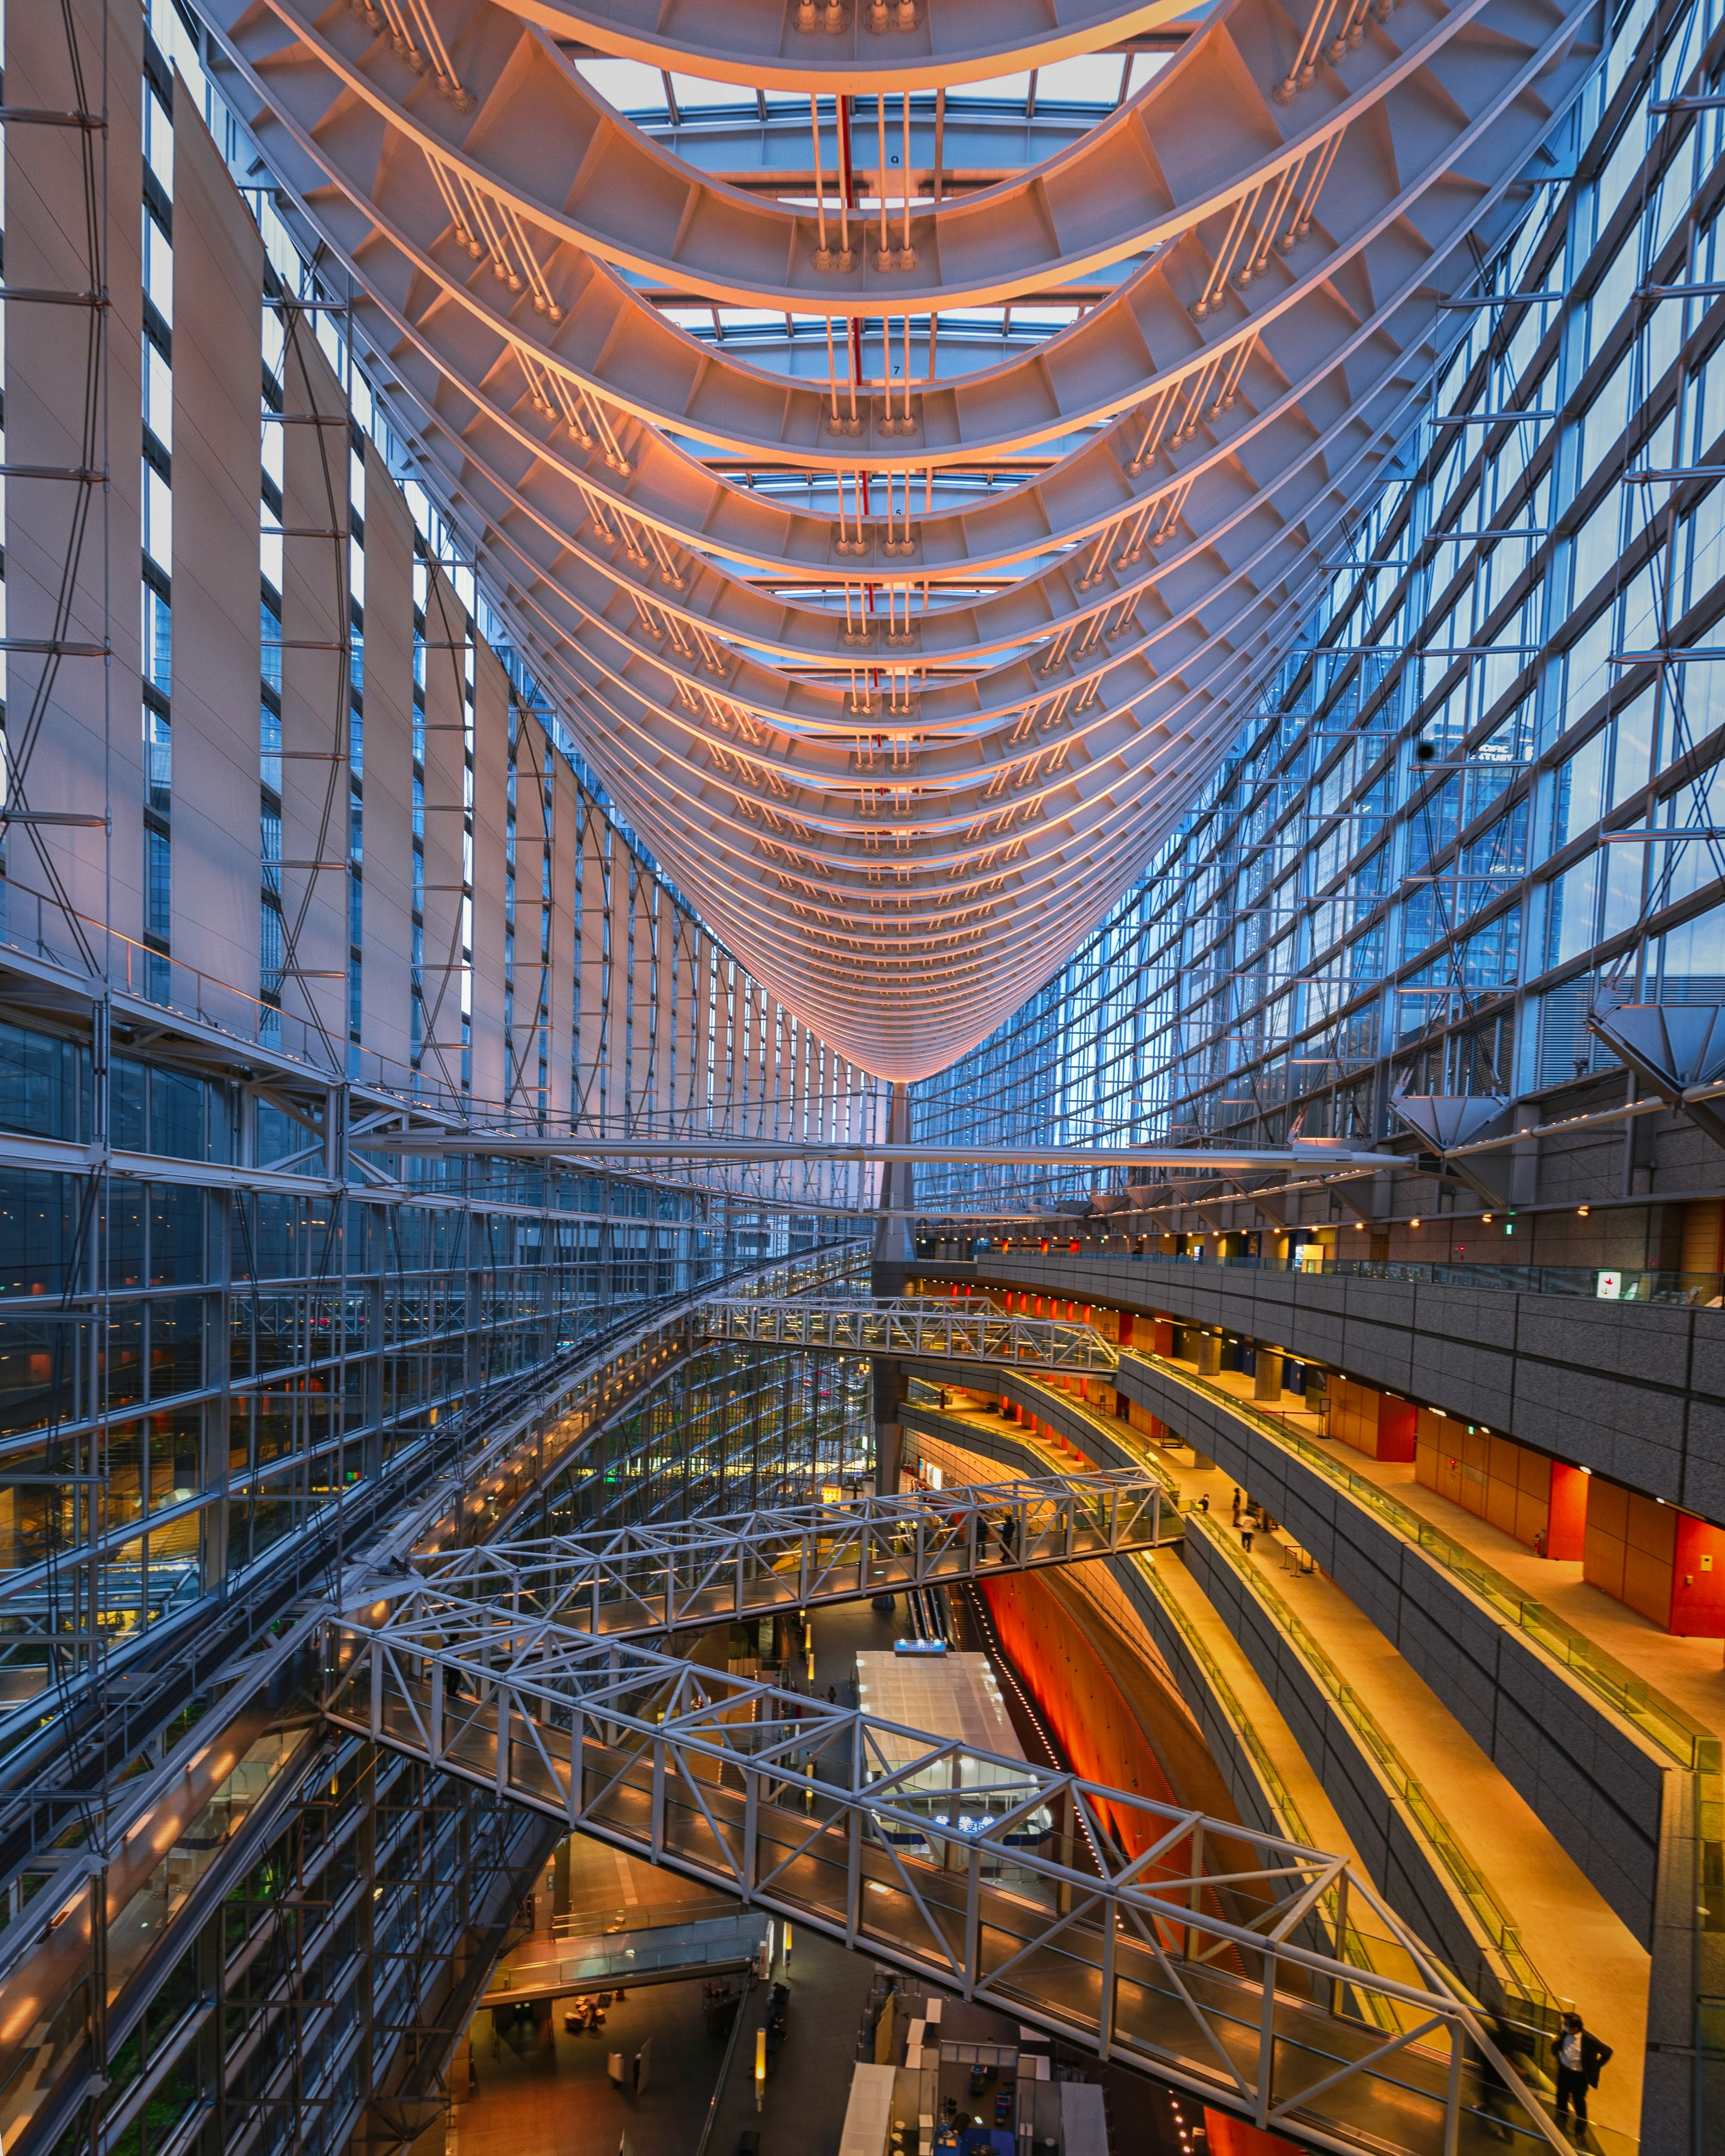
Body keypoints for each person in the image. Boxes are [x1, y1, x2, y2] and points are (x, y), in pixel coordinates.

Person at [1552, 2012, 1611, 2130]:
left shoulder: (1588, 2039)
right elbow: (1558, 2046)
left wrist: (1596, 2066)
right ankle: (1561, 2120)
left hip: (1579, 2077)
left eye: (1566, 2024)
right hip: (1564, 2072)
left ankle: (1580, 2130)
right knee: (1561, 2097)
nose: (1564, 2025)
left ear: (1575, 2028)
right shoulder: (1565, 2034)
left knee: (1579, 2103)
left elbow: (1607, 2052)